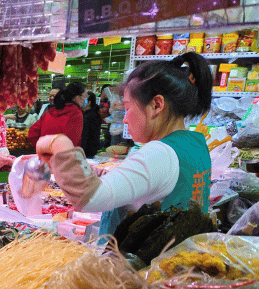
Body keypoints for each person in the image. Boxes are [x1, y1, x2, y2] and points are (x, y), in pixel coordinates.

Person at [35, 51, 213, 237]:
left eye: (128, 108)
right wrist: (80, 169)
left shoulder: (160, 153)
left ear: (157, 105)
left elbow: (90, 198)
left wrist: (60, 143)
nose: (125, 119)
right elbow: (141, 183)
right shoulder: (194, 144)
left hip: (154, 253)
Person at [28, 81, 85, 148]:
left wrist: (42, 148)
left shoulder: (48, 112)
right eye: (85, 96)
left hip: (45, 153)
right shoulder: (76, 114)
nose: (85, 100)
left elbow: (32, 133)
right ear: (77, 98)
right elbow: (71, 143)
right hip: (65, 154)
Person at [81, 91, 103, 158]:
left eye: (82, 98)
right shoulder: (94, 113)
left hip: (87, 151)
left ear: (89, 102)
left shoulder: (89, 116)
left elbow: (85, 135)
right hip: (91, 150)